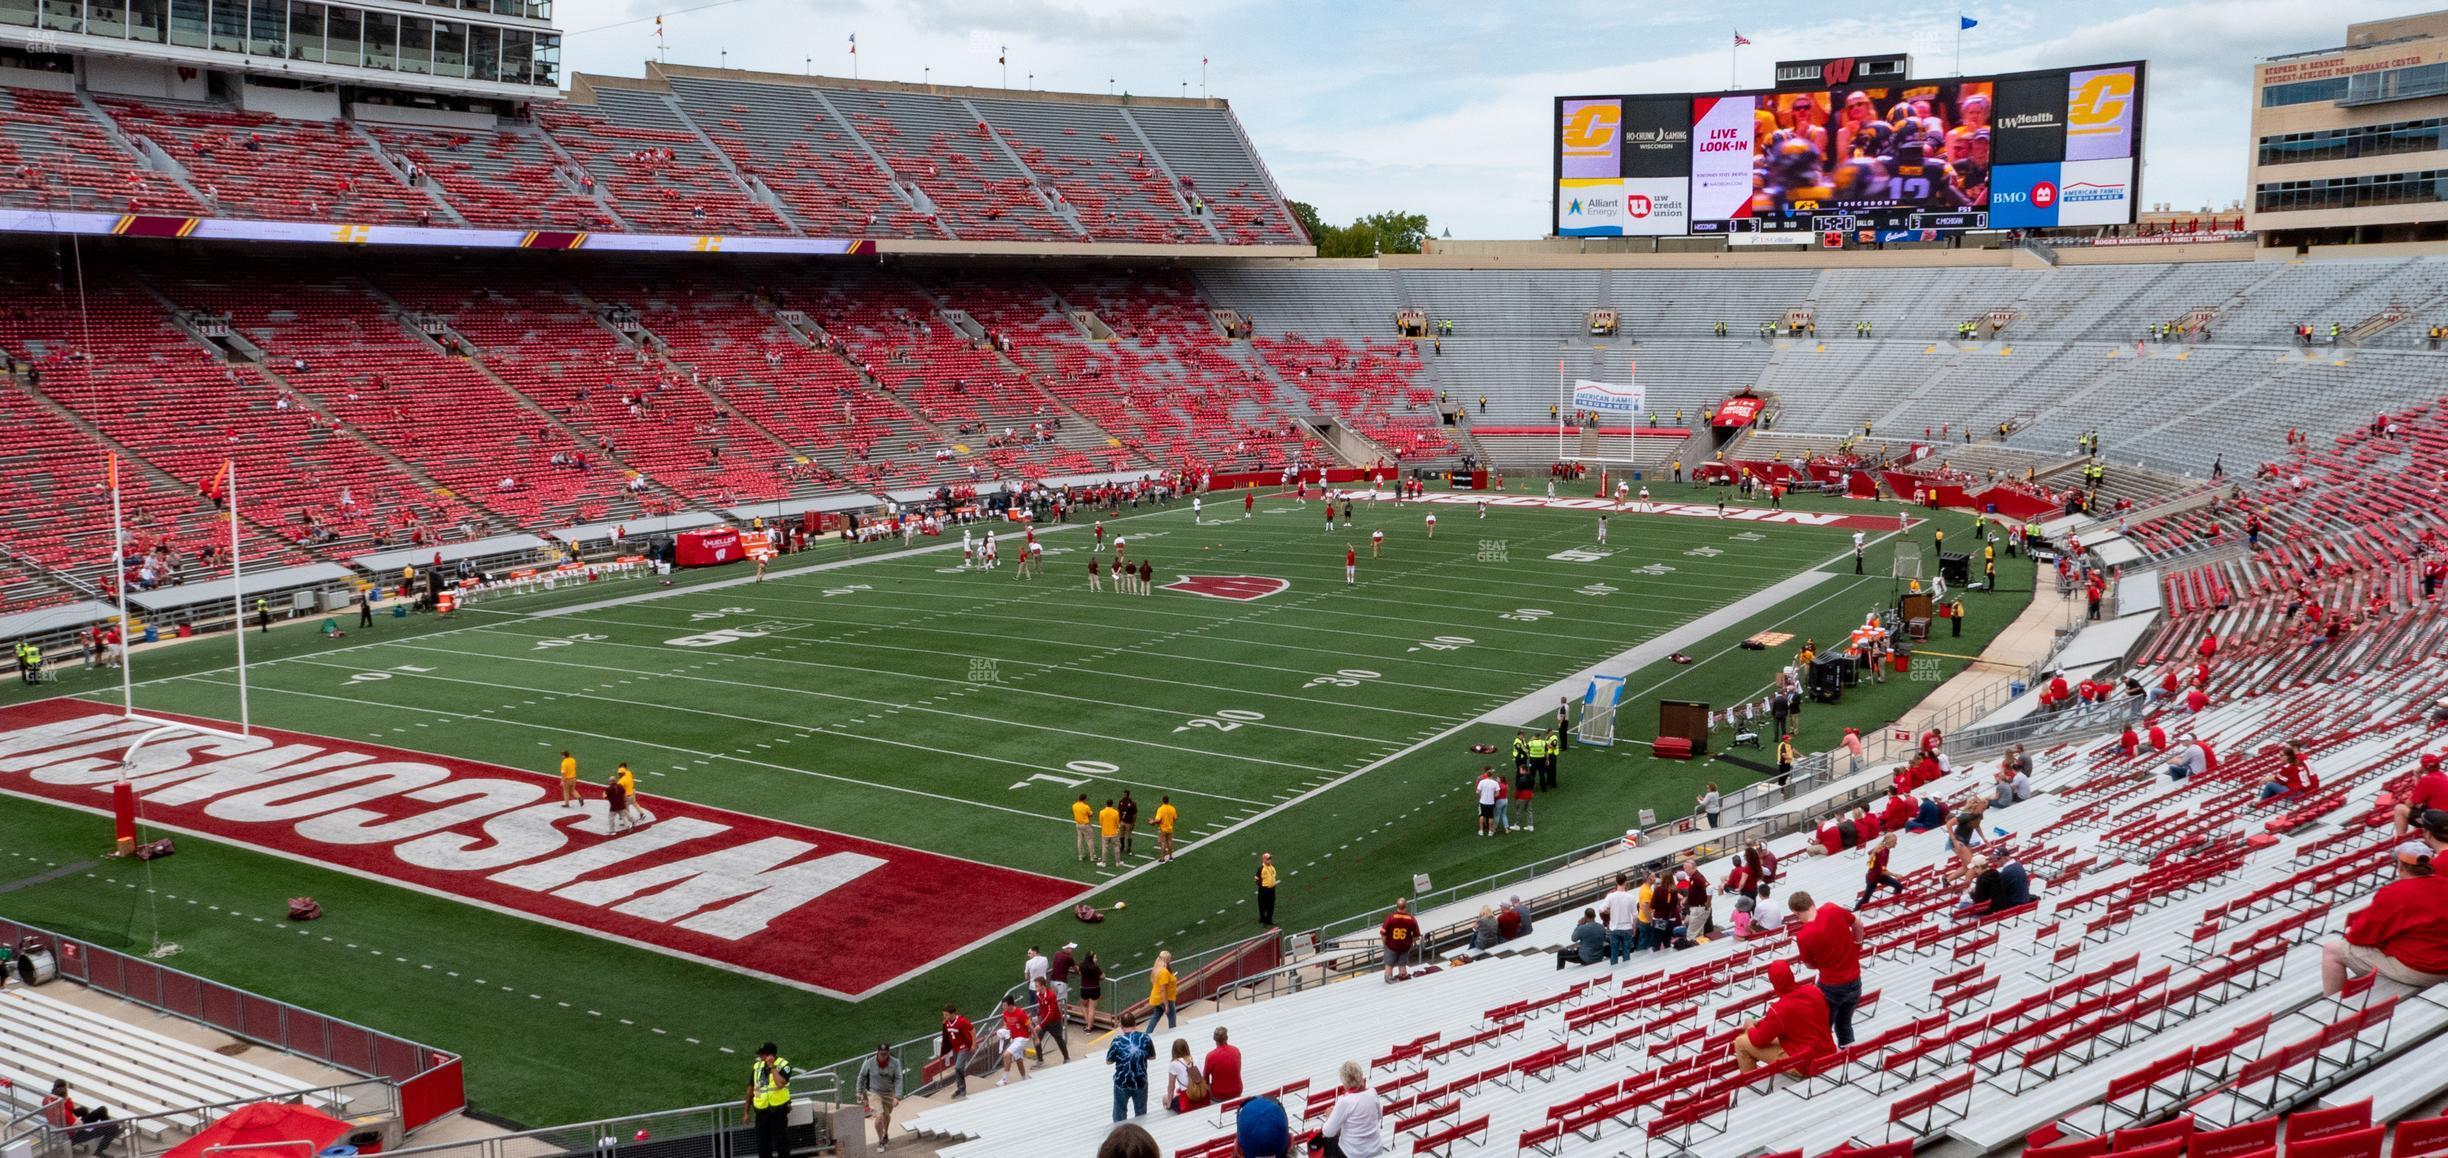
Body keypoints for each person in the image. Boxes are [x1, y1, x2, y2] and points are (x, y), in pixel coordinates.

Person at [2321, 841, 2448, 993]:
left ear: (2400, 865)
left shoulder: (2393, 892)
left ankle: (2331, 1003)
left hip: (2423, 969)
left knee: (2332, 950)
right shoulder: (2444, 883)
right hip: (2442, 960)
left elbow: (2360, 936)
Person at [1791, 892, 1864, 1047]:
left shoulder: (1804, 935)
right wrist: (1857, 945)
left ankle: (1822, 1061)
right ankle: (1846, 1057)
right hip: (1855, 980)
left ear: (1796, 913)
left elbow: (1810, 965)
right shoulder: (1832, 909)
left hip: (1832, 986)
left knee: (1821, 1026)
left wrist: (1825, 962)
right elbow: (1858, 925)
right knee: (1844, 1024)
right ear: (1812, 901)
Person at [1734, 962, 1835, 1072]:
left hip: (1804, 1063)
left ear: (1773, 983)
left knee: (1740, 1042)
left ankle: (1750, 1083)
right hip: (1828, 1052)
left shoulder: (1779, 1010)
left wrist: (1749, 1026)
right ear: (1791, 975)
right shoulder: (1814, 991)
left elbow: (1758, 1041)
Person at [1318, 1060, 1384, 1158]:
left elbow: (1328, 1132)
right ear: (1361, 1076)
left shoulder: (1345, 1102)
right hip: (1374, 1147)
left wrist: (1330, 1116)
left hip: (1353, 1153)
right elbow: (1379, 1116)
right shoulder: (1372, 1093)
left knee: (1323, 1141)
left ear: (1344, 1083)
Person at [744, 1043, 793, 1158]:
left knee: (781, 1143)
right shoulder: (757, 1066)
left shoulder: (784, 1065)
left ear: (770, 1055)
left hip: (778, 1111)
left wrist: (772, 1066)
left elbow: (780, 1084)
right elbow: (751, 1088)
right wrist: (746, 1111)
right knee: (762, 1144)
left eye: (762, 1054)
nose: (760, 1057)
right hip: (761, 1112)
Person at [1106, 1011, 1155, 1122]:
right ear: (1135, 1023)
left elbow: (1108, 1061)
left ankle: (1120, 1135)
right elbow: (1152, 1057)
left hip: (1121, 1082)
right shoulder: (1145, 1038)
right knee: (1141, 1113)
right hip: (1140, 1081)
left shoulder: (1117, 1041)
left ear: (1121, 1026)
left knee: (1119, 1113)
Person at [855, 1043, 900, 1151]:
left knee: (886, 1116)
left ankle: (885, 1133)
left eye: (885, 1054)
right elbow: (861, 1076)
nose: (883, 1056)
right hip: (874, 1092)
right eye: (881, 1053)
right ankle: (880, 1141)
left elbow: (898, 1078)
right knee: (878, 1116)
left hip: (888, 1092)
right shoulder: (869, 1062)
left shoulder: (895, 1063)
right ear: (877, 1052)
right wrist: (858, 1091)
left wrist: (897, 1096)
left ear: (888, 1052)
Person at [2393, 753, 2448, 839]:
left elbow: (2409, 804)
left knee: (2399, 808)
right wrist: (2418, 777)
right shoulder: (2443, 777)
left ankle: (2400, 839)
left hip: (2438, 821)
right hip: (2443, 816)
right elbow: (2422, 795)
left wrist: (2417, 776)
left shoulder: (2427, 780)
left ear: (2423, 767)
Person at [1958, 855, 2033, 915]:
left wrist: (1971, 893)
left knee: (1963, 903)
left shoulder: (1981, 879)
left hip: (1991, 909)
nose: (1974, 871)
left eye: (1974, 868)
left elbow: (1979, 901)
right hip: (2001, 904)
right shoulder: (1996, 873)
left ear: (1978, 867)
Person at [1380, 897, 1422, 980]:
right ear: (1406, 906)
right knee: (1402, 965)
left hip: (1391, 946)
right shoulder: (1411, 919)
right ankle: (1403, 977)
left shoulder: (1391, 917)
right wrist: (1409, 941)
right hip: (1405, 947)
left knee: (1389, 965)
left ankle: (1389, 979)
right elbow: (1417, 936)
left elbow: (1383, 933)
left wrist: (1385, 943)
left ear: (1397, 906)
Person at [938, 1005, 976, 1099]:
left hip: (963, 1047)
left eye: (946, 1015)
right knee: (957, 1069)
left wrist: (973, 1044)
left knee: (958, 1067)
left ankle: (962, 1089)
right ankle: (960, 1088)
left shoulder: (961, 1021)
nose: (945, 1017)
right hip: (955, 1049)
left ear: (952, 1014)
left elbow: (972, 1029)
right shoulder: (946, 1023)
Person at [1163, 1037, 1209, 1112]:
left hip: (1187, 1102)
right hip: (1203, 1097)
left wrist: (1169, 1104)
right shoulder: (1195, 1058)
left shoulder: (1174, 1064)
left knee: (1164, 1098)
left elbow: (1171, 1087)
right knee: (1178, 1091)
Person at [1859, 833, 1906, 906]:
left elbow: (1869, 852)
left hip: (1880, 875)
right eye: (1895, 841)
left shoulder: (1883, 848)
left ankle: (1895, 902)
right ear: (1891, 841)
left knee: (1898, 886)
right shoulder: (1883, 852)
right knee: (1866, 898)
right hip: (1873, 877)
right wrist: (1895, 875)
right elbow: (1883, 870)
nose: (1896, 843)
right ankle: (1856, 910)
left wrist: (1876, 850)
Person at [1032, 977, 1071, 1063]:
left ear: (1042, 986)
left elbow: (1051, 1013)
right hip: (1044, 1021)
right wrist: (1037, 1016)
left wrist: (1040, 1025)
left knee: (1059, 1040)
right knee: (1036, 1038)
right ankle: (1040, 1060)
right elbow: (1041, 1007)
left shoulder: (1051, 996)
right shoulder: (1038, 994)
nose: (1035, 988)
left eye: (1037, 986)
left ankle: (1066, 1058)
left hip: (1054, 1022)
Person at [1603, 873, 1638, 964]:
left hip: (1614, 928)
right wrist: (1634, 928)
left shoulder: (1611, 896)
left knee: (1614, 953)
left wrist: (1610, 911)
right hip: (1627, 928)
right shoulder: (1631, 897)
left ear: (1616, 882)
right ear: (1626, 882)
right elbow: (1635, 915)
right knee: (1626, 953)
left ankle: (1614, 972)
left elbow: (1601, 909)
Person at [1205, 1026, 1244, 1103]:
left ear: (1214, 1039)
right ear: (1227, 1037)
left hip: (1219, 1095)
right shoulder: (1236, 1051)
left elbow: (1205, 1078)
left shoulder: (1211, 1056)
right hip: (1237, 1091)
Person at [1149, 950, 1179, 1031]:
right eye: (1169, 959)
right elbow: (1163, 989)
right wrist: (1166, 1005)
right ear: (1166, 960)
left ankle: (1147, 1033)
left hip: (1157, 998)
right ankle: (1173, 1035)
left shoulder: (1157, 969)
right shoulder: (1164, 972)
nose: (1171, 961)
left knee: (1155, 1018)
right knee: (1172, 1019)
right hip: (1166, 999)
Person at [1079, 950, 1105, 1030]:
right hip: (1095, 989)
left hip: (1084, 988)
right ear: (1091, 959)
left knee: (1083, 1006)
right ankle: (1090, 1026)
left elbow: (1080, 973)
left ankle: (1087, 1023)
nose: (1096, 959)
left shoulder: (1082, 965)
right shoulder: (1095, 967)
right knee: (1092, 1008)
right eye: (1095, 958)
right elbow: (1103, 976)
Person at [1153, 796, 1178, 863]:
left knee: (1163, 843)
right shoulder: (1172, 808)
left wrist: (1152, 822)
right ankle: (1170, 857)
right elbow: (1175, 818)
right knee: (1169, 842)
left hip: (1163, 829)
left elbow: (1158, 819)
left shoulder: (1160, 809)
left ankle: (1162, 858)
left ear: (1163, 801)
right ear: (1168, 801)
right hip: (1170, 828)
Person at [1254, 852, 1277, 926]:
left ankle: (1269, 919)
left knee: (1271, 905)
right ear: (1264, 860)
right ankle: (1263, 920)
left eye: (1270, 858)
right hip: (1264, 890)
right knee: (1263, 906)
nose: (1270, 860)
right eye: (1268, 859)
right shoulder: (1260, 868)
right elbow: (1257, 879)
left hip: (1272, 889)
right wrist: (1262, 887)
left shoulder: (1272, 867)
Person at [1099, 799, 1122, 867]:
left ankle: (1103, 862)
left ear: (1106, 804)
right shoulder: (1115, 812)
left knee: (1104, 848)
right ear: (1112, 804)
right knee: (1116, 847)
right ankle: (1118, 862)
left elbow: (1101, 823)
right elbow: (1117, 823)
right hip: (1114, 833)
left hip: (1105, 833)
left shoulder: (1102, 812)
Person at [1073, 793, 1097, 861]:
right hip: (1085, 825)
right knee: (1089, 840)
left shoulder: (1074, 805)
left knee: (1079, 840)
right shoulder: (1086, 806)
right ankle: (1092, 857)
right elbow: (1090, 814)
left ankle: (1080, 855)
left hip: (1077, 824)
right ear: (1084, 799)